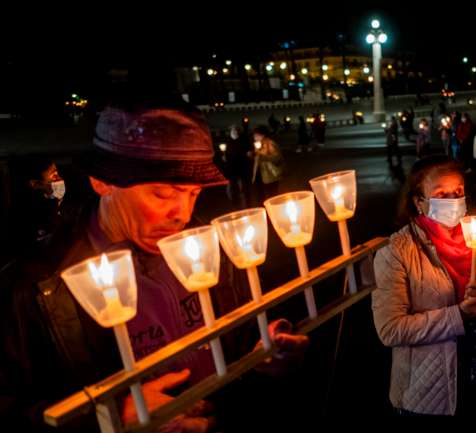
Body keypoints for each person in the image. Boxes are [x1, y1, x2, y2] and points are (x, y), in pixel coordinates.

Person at [0, 99, 308, 433]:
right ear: (102, 182)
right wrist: (106, 417)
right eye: (162, 194)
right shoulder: (37, 287)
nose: (183, 214)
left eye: (193, 194)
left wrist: (264, 344)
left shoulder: (206, 243)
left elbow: (236, 330)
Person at [372, 155, 476, 426]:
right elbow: (391, 329)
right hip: (430, 399)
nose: (453, 200)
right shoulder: (397, 252)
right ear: (419, 202)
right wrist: (459, 315)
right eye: (441, 194)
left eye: (458, 192)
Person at [9, 156, 70, 252]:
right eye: (53, 176)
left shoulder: (67, 201)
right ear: (35, 184)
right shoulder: (30, 215)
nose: (59, 179)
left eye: (57, 173)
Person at [250, 125, 284, 204]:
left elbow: (277, 158)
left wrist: (264, 157)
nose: (254, 137)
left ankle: (272, 211)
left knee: (271, 197)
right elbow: (257, 158)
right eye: (254, 135)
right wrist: (252, 155)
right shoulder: (258, 144)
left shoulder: (270, 143)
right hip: (259, 175)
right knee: (260, 196)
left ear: (262, 135)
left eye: (256, 135)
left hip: (270, 175)